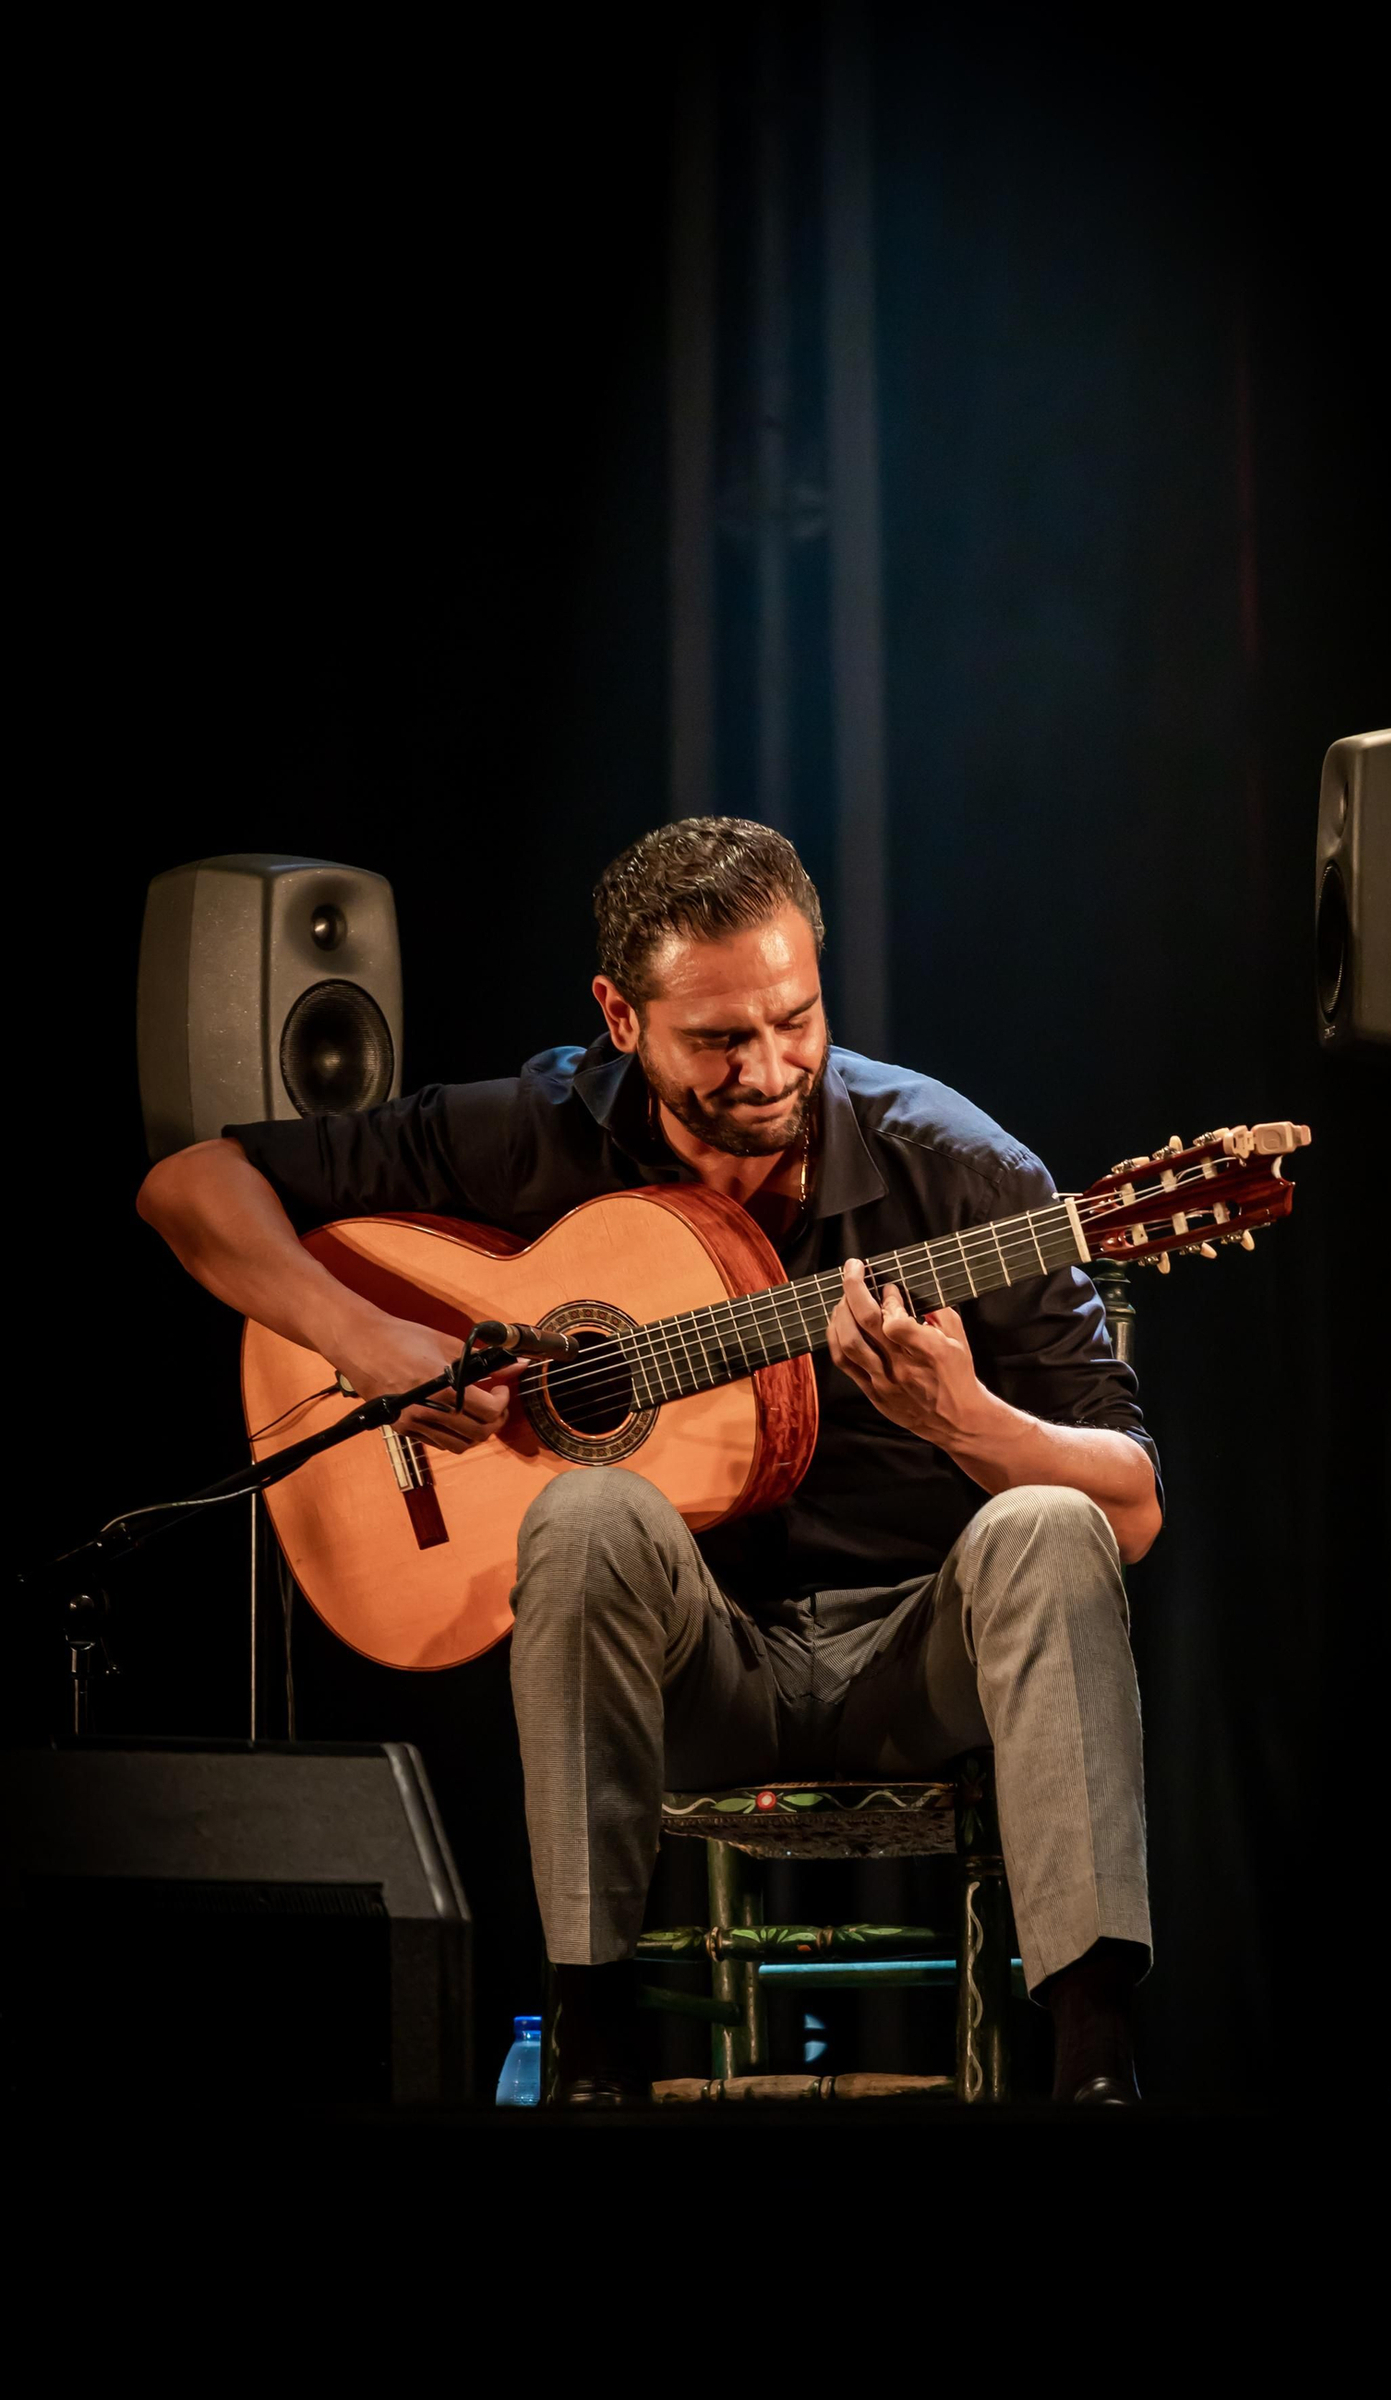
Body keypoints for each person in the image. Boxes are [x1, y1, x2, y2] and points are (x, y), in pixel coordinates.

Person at [139, 817, 1162, 2104]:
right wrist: (374, 1339)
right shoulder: (540, 1131)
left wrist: (967, 1421)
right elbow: (191, 1184)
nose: (771, 1065)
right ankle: (592, 2040)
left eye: (796, 1019)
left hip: (918, 1663)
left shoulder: (962, 1172)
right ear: (620, 1016)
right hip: (687, 1674)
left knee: (1049, 1525)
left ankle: (1090, 2058)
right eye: (720, 1039)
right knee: (584, 1512)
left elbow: (1129, 1509)